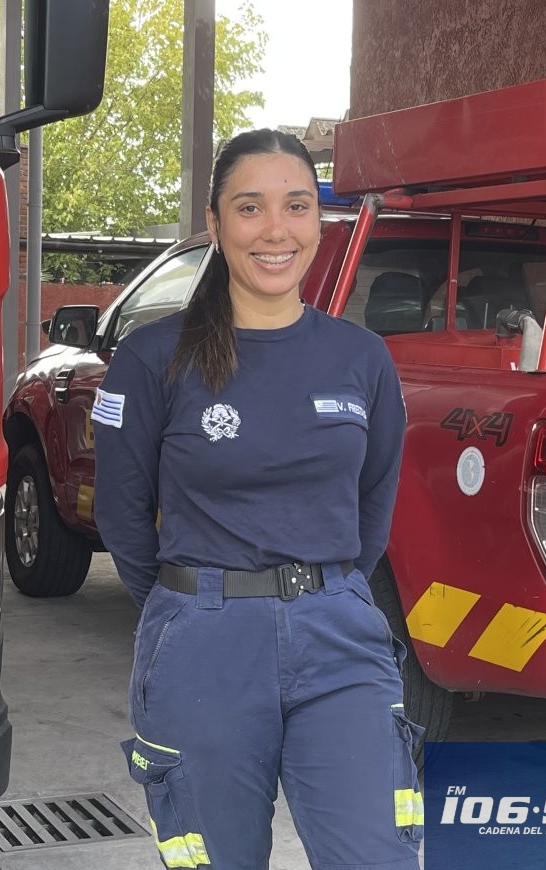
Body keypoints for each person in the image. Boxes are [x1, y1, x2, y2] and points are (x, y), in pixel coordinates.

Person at [92, 128, 422, 869]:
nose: (276, 230)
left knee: (377, 855)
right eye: (250, 208)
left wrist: (321, 592)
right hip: (204, 641)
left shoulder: (361, 358)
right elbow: (120, 512)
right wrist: (193, 606)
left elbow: (372, 505)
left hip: (339, 636)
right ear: (215, 223)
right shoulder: (153, 358)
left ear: (318, 222)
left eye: (297, 206)